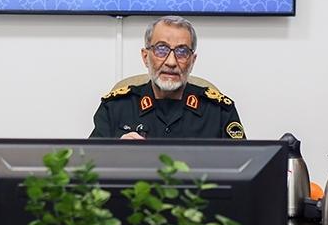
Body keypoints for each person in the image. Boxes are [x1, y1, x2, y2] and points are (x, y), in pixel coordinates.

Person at [90, 16, 246, 139]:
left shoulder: (219, 112)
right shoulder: (115, 108)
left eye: (182, 52)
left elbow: (243, 164)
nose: (171, 62)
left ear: (192, 61)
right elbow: (89, 164)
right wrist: (116, 152)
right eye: (161, 50)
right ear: (145, 57)